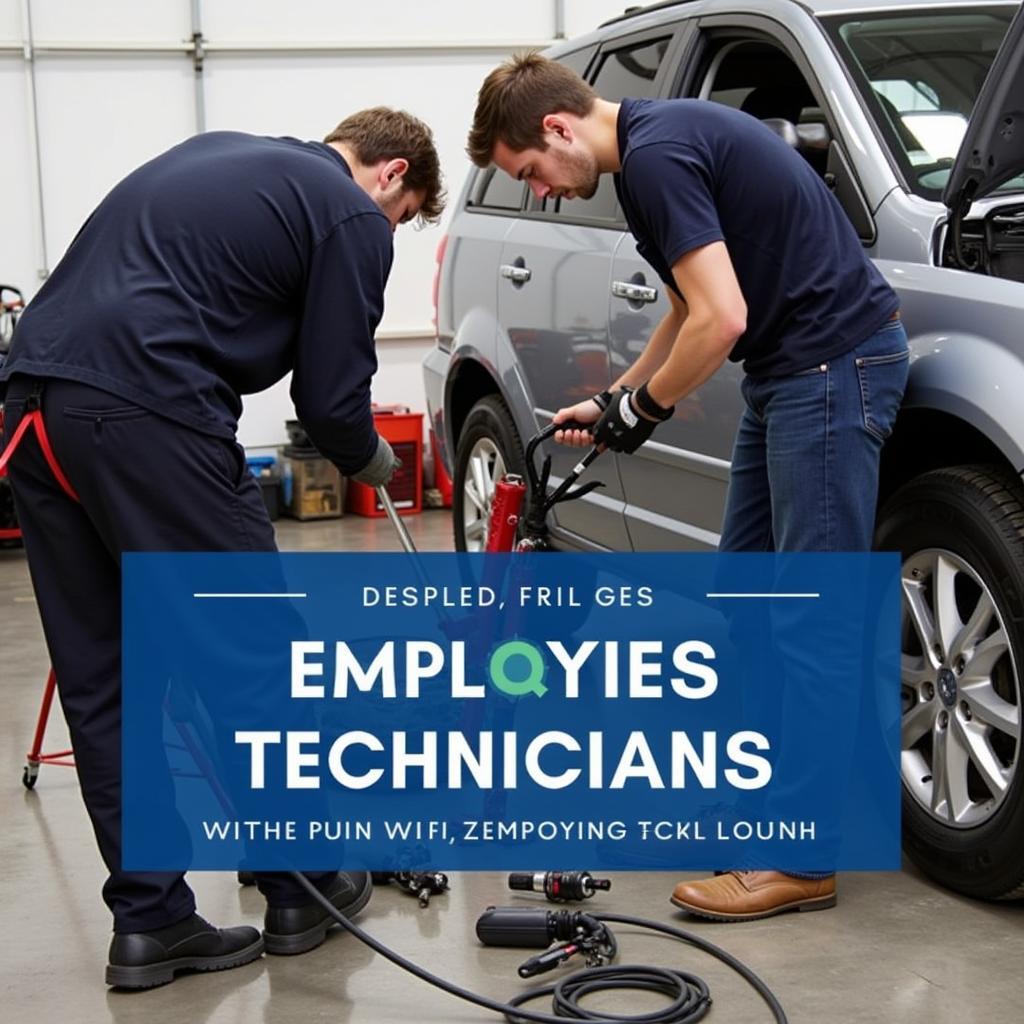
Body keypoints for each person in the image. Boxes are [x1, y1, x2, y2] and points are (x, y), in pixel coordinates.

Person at [0, 108, 444, 986]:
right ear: (391, 174)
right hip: (146, 414)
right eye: (403, 215)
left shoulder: (220, 155)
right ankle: (301, 881)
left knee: (105, 677)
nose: (387, 233)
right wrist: (374, 457)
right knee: (255, 659)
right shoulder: (352, 212)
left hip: (31, 406)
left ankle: (152, 921)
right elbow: (328, 398)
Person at [467, 54, 908, 921]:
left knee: (810, 617)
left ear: (557, 129)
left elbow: (724, 319)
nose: (543, 192)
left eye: (531, 174)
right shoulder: (646, 157)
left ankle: (801, 857)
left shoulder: (660, 155)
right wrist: (616, 396)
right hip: (789, 374)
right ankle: (759, 805)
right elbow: (685, 306)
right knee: (743, 599)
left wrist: (645, 410)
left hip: (830, 367)